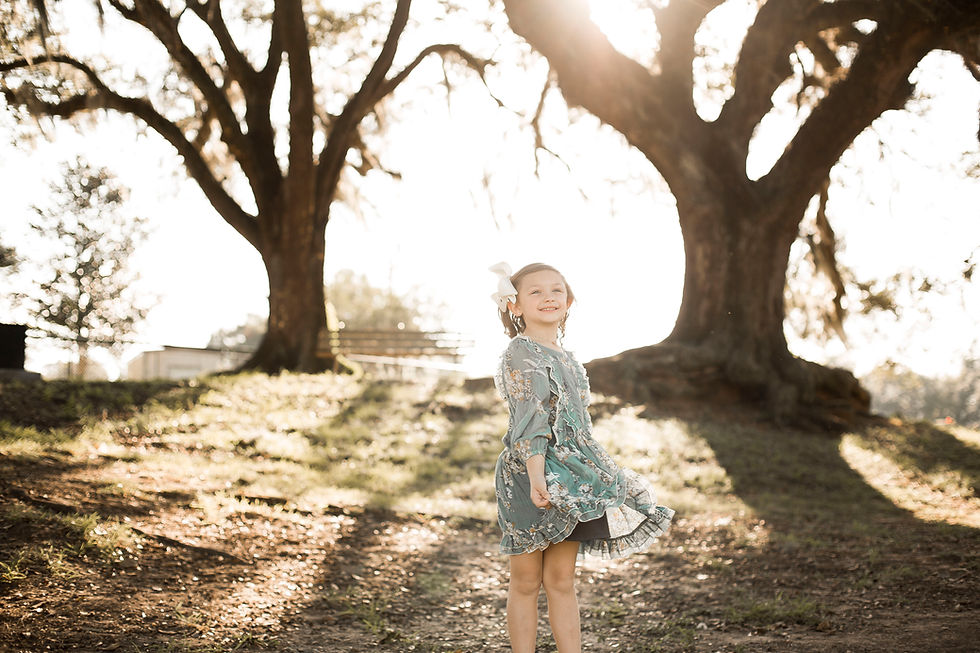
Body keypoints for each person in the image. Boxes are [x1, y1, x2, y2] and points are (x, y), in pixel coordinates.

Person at [489, 261, 674, 653]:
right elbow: (530, 420)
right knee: (526, 580)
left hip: (572, 478)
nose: (548, 297)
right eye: (536, 291)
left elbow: (577, 425)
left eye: (556, 289)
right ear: (515, 305)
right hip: (530, 474)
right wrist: (537, 478)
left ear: (569, 301)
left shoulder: (567, 356)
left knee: (561, 580)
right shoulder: (520, 353)